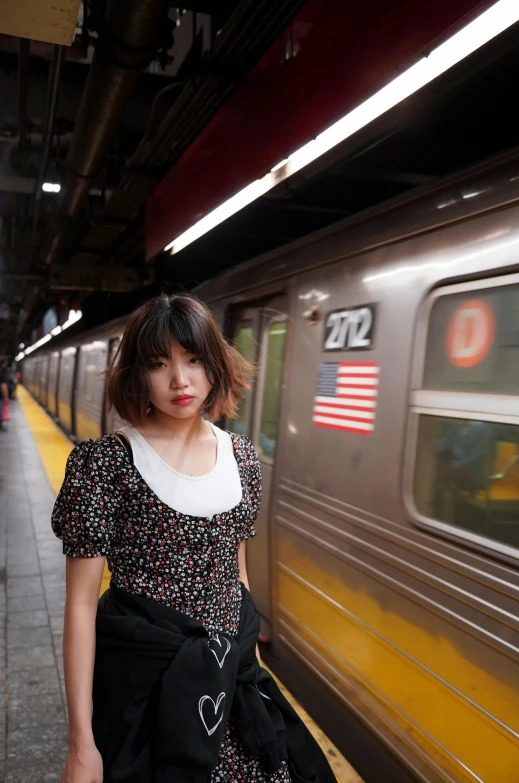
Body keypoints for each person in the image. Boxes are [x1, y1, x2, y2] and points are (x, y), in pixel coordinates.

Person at [51, 292, 336, 783]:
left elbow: (238, 578)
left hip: (232, 685)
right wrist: (82, 744)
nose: (180, 380)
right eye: (160, 364)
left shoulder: (243, 459)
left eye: (194, 360)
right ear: (138, 374)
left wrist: (255, 678)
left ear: (215, 365)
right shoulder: (105, 465)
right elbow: (80, 607)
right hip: (145, 696)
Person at [0, 359, 9, 430]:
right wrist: (6, 396)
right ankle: (0, 426)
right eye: (5, 363)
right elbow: (3, 385)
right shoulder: (2, 372)